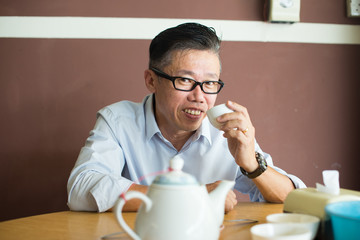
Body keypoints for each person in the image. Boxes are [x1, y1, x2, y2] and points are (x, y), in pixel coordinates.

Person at [67, 22, 306, 213]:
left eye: (210, 83)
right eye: (185, 80)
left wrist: (252, 165)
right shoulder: (118, 120)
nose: (199, 96)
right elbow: (81, 189)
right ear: (152, 80)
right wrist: (191, 196)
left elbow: (294, 199)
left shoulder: (225, 130)